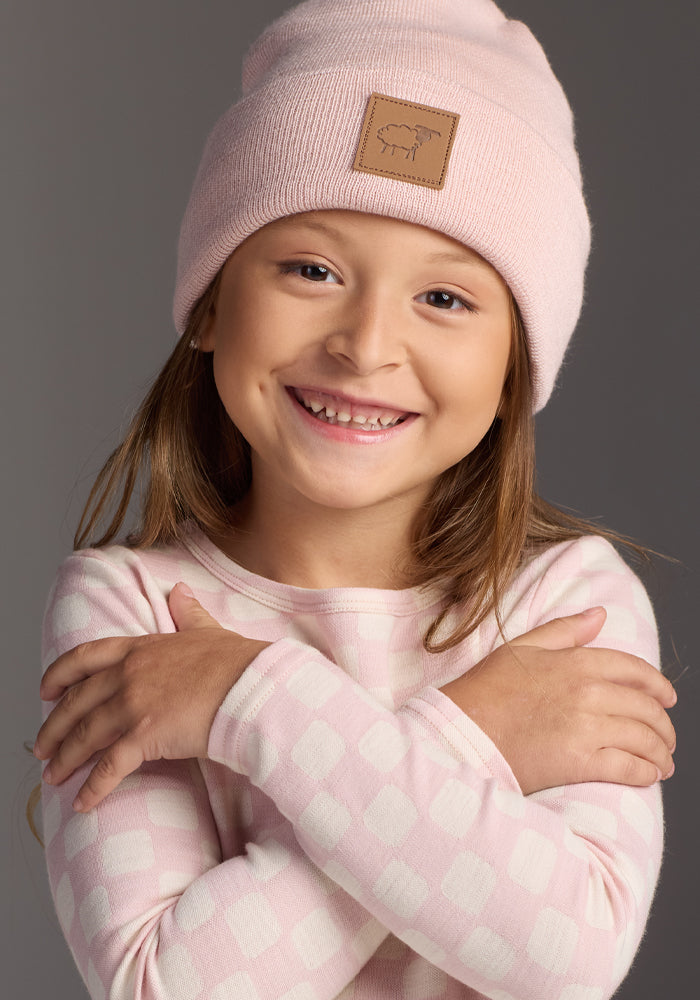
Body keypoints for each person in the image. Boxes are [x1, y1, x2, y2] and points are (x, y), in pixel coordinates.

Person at [34, 1, 677, 998]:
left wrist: (244, 700)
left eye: (446, 297)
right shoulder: (129, 614)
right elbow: (166, 985)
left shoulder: (569, 607)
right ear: (210, 301)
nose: (366, 344)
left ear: (514, 364)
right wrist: (480, 737)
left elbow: (568, 959)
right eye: (311, 269)